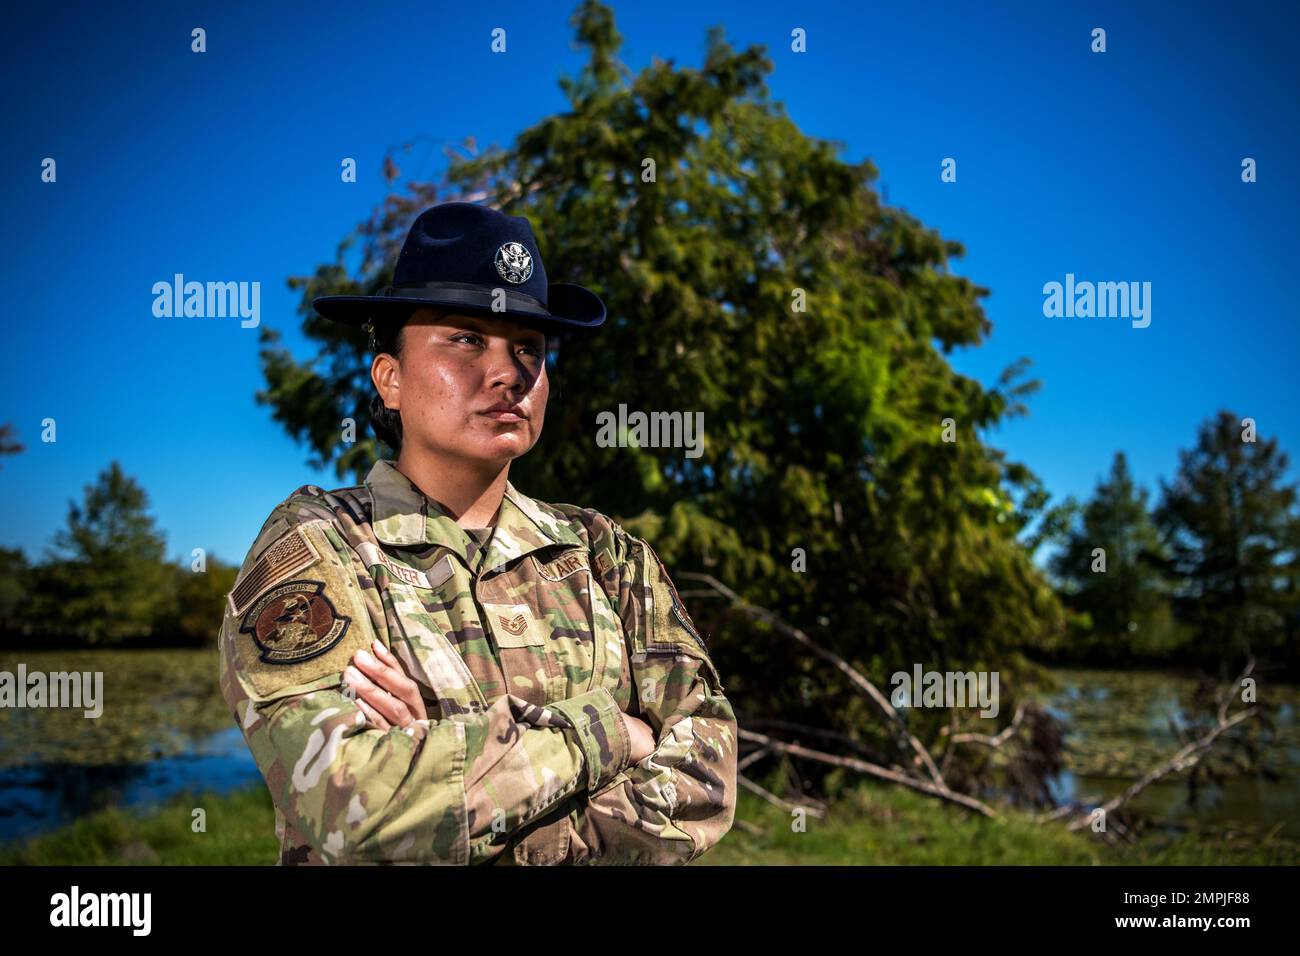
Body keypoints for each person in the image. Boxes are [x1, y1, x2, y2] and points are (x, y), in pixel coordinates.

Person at [217, 202, 738, 865]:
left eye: (528, 348)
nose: (508, 372)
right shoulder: (322, 543)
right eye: (466, 339)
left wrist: (450, 774)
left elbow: (707, 771)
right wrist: (609, 733)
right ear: (391, 379)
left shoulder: (607, 554)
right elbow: (350, 802)